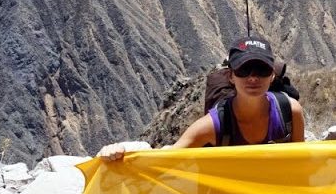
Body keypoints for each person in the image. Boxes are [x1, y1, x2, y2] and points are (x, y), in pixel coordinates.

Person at [97, 36, 305, 159]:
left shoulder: (290, 112)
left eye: (261, 70)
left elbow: (302, 164)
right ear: (231, 76)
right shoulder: (212, 126)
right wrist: (123, 152)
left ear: (272, 76)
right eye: (243, 70)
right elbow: (167, 157)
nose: (252, 78)